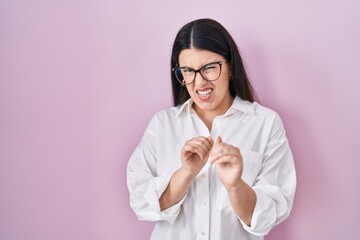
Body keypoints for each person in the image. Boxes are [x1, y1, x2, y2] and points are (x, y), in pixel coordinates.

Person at [127, 18, 296, 240]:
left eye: (208, 68)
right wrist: (186, 172)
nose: (199, 83)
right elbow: (141, 202)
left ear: (230, 68)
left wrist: (235, 184)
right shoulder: (162, 125)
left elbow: (269, 214)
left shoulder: (265, 123)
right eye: (188, 70)